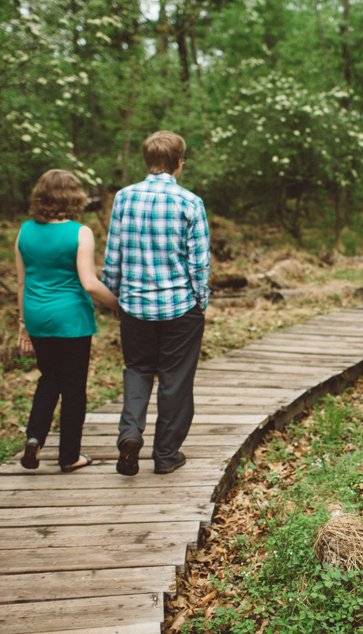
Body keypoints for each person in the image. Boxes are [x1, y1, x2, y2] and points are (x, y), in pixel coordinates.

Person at [103, 130, 210, 476]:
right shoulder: (189, 202)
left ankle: (130, 434)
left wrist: (116, 296)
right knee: (175, 379)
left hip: (134, 306)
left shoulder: (123, 198)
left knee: (137, 369)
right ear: (179, 163)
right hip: (180, 307)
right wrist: (200, 301)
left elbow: (113, 256)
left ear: (147, 162)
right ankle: (165, 455)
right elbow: (199, 262)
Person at [16, 169, 121, 473]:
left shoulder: (24, 231)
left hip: (37, 316)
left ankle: (34, 439)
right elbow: (89, 283)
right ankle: (69, 456)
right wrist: (116, 303)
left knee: (49, 378)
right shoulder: (79, 232)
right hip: (71, 318)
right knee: (74, 386)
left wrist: (22, 322)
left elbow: (21, 283)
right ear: (74, 197)